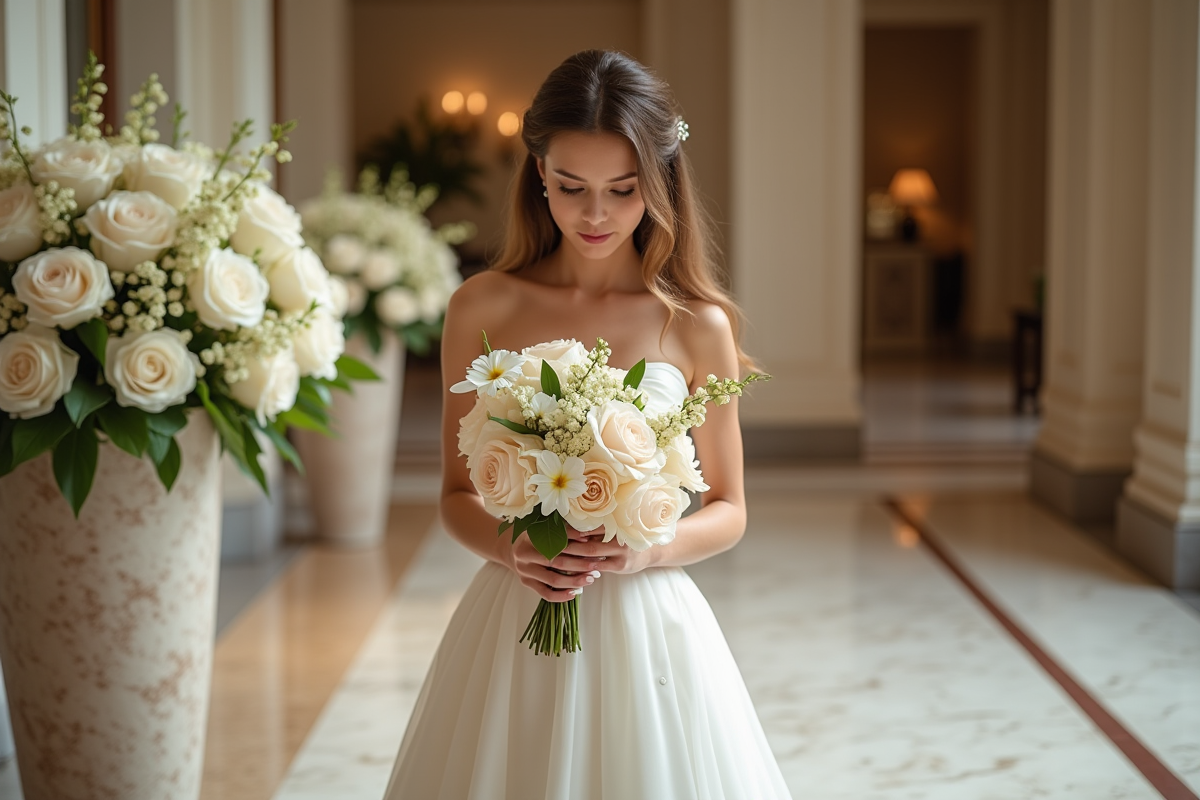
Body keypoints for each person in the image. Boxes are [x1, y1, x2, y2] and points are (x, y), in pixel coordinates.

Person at [383, 49, 793, 799]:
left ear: (659, 184)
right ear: (539, 173)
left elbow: (731, 510)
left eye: (622, 190)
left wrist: (648, 551)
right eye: (571, 187)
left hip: (646, 620)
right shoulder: (483, 305)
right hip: (517, 608)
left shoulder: (696, 324)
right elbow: (452, 494)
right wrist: (514, 547)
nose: (595, 214)